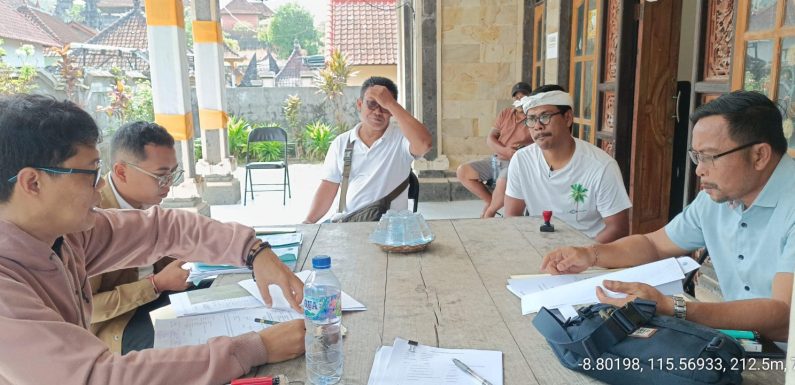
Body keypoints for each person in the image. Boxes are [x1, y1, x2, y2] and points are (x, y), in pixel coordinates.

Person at [0, 94, 305, 384]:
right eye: (91, 172)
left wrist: (253, 251)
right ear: (33, 182)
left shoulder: (62, 238)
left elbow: (161, 229)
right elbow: (96, 378)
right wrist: (253, 348)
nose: (100, 185)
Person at [541, 90, 794, 341]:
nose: (699, 171)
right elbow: (654, 244)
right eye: (696, 157)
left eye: (709, 157)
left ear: (759, 155)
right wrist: (590, 254)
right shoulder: (717, 197)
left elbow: (784, 315)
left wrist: (674, 307)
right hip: (744, 343)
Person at [90, 121, 195, 354]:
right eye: (160, 176)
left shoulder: (146, 204)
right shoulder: (93, 219)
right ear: (121, 172)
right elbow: (89, 308)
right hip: (118, 323)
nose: (168, 185)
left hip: (157, 298)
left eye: (173, 174)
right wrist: (155, 284)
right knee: (195, 349)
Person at [504, 85, 631, 243]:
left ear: (568, 118)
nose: (537, 126)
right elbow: (512, 218)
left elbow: (618, 228)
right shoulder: (521, 160)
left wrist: (581, 255)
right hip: (540, 248)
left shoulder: (601, 167)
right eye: (531, 119)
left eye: (545, 116)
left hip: (589, 254)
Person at [303, 76, 432, 223]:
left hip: (391, 227)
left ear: (392, 111)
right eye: (371, 104)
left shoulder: (402, 139)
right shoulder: (342, 142)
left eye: (384, 107)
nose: (377, 112)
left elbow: (424, 144)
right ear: (359, 104)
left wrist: (391, 103)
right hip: (349, 223)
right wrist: (308, 222)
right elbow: (329, 185)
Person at [456, 82, 534, 218]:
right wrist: (505, 151)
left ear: (530, 99)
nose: (519, 100)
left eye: (523, 97)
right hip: (496, 159)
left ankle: (489, 213)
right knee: (463, 171)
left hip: (515, 162)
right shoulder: (505, 113)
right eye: (516, 97)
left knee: (502, 181)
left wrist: (513, 154)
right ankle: (490, 202)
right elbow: (490, 139)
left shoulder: (533, 117)